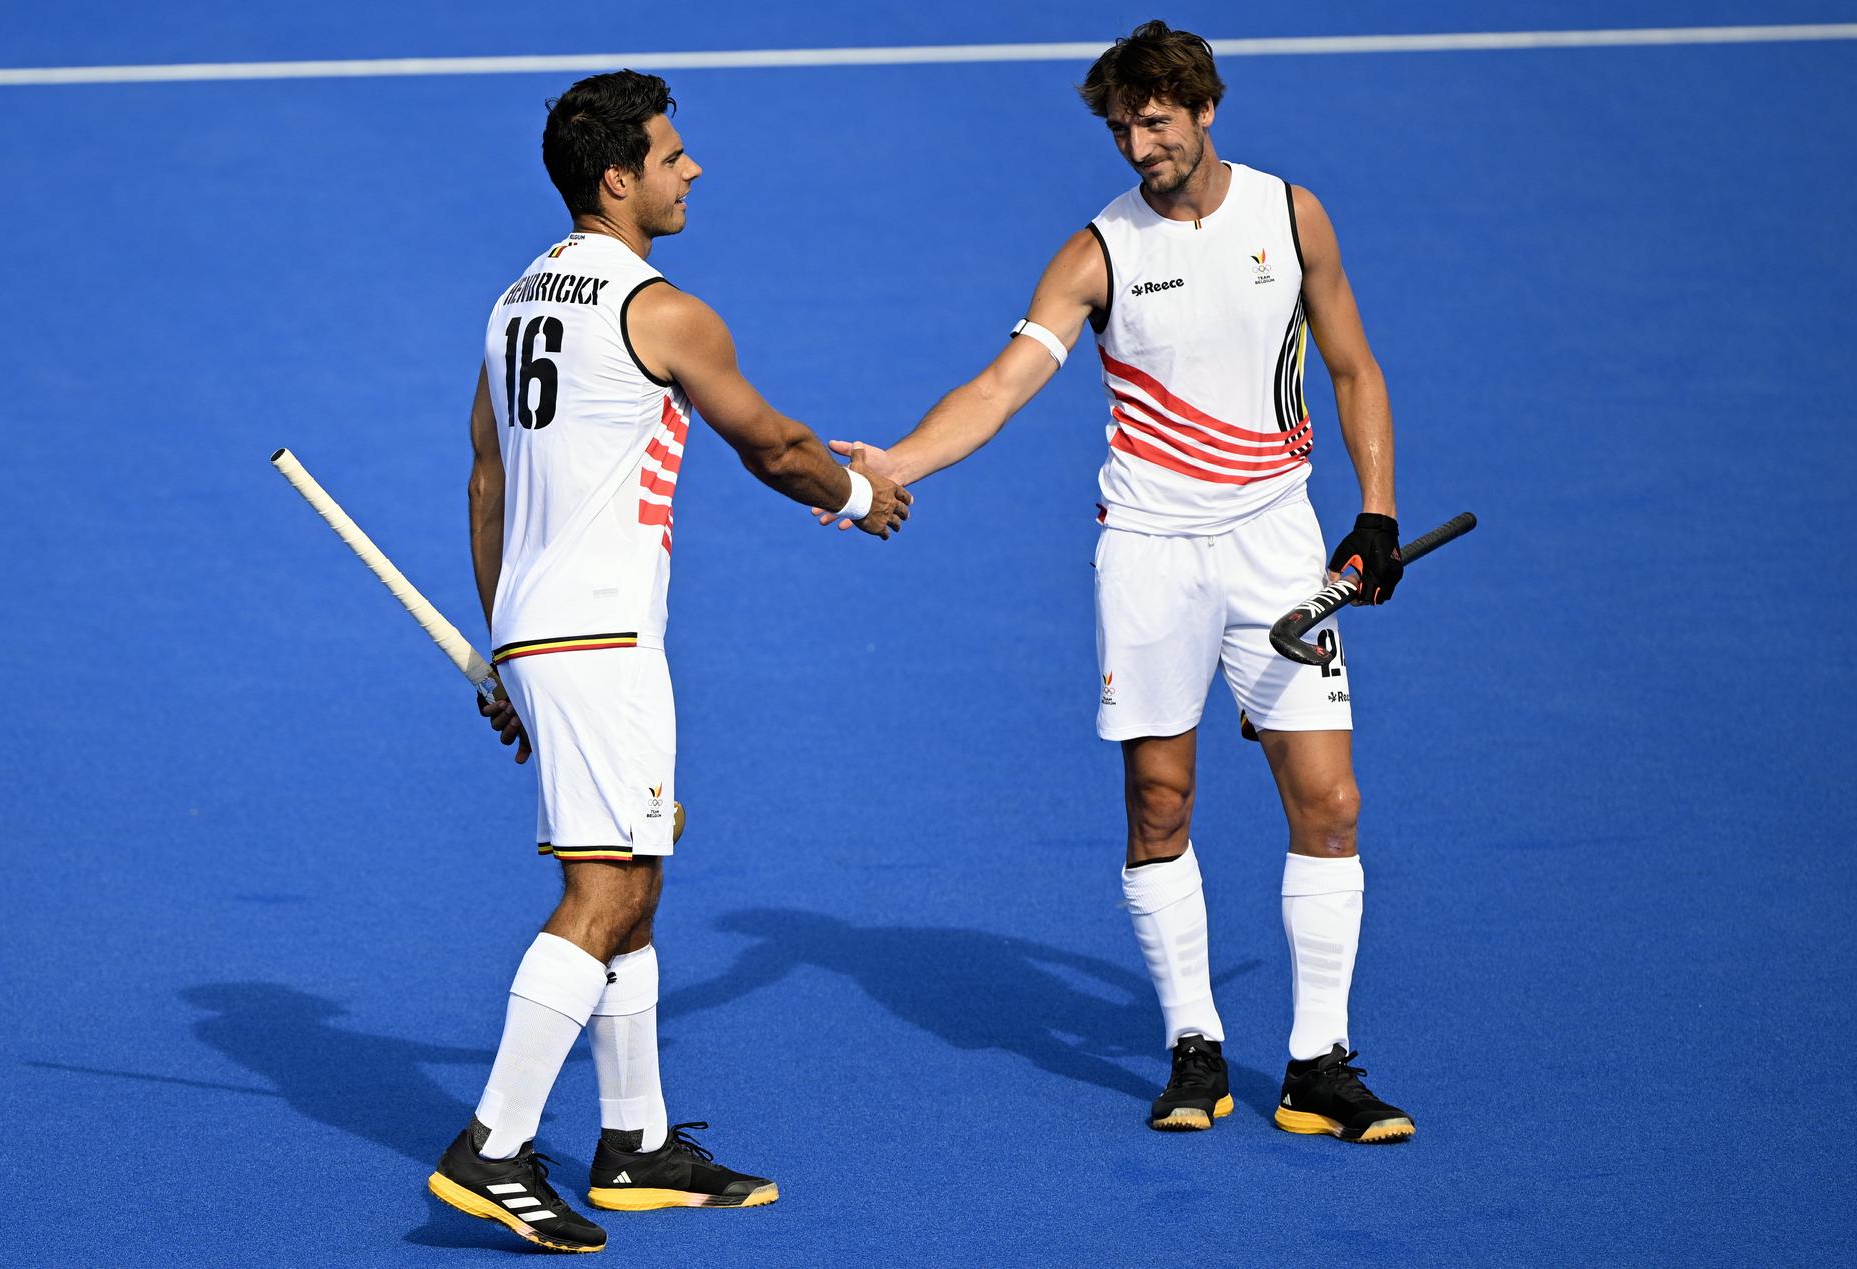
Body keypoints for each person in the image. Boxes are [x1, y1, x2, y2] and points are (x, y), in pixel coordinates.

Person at [818, 20, 1414, 1143]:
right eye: (1124, 129)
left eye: (1156, 122)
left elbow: (1352, 364)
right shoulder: (1096, 253)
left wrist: (1374, 511)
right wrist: (897, 460)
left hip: (1277, 545)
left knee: (1330, 804)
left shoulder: (1293, 218)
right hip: (1149, 553)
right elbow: (1000, 387)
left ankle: (1319, 1064)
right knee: (1160, 802)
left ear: (1204, 110)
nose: (1141, 146)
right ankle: (1194, 1046)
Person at [427, 70, 911, 1254]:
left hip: (551, 628)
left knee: (638, 883)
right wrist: (859, 493)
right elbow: (773, 443)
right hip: (598, 636)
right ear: (617, 179)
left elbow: (487, 482)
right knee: (603, 895)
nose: (691, 171)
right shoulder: (663, 310)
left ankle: (634, 1144)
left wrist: (502, 648)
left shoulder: (509, 306)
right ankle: (491, 1145)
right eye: (673, 155)